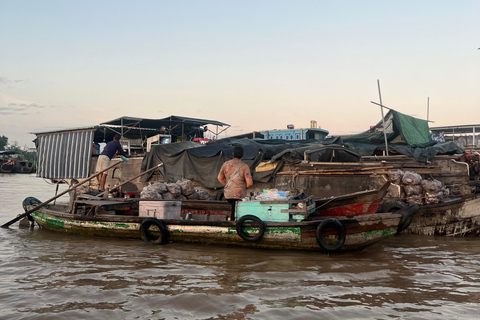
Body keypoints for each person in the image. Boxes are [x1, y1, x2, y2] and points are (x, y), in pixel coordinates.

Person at [217, 146, 253, 220]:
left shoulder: (226, 164)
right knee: (238, 207)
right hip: (239, 195)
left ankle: (232, 219)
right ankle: (235, 222)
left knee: (233, 206)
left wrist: (228, 186)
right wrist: (243, 188)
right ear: (243, 155)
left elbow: (219, 178)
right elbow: (249, 183)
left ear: (233, 154)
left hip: (227, 194)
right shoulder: (244, 166)